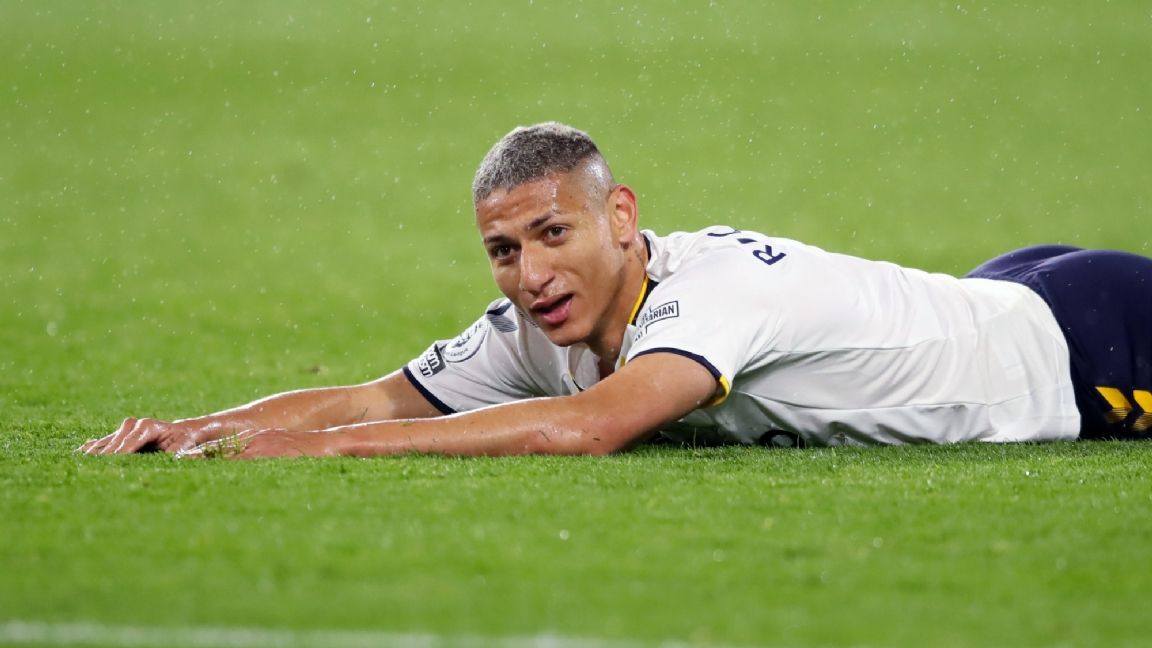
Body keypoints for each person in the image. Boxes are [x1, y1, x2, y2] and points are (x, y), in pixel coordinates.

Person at [80, 122, 1152, 459]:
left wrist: (320, 454)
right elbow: (375, 395)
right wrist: (196, 429)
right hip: (989, 295)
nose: (531, 275)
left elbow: (589, 427)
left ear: (622, 220)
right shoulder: (540, 321)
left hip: (1088, 349)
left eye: (554, 234)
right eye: (504, 250)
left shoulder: (708, 295)